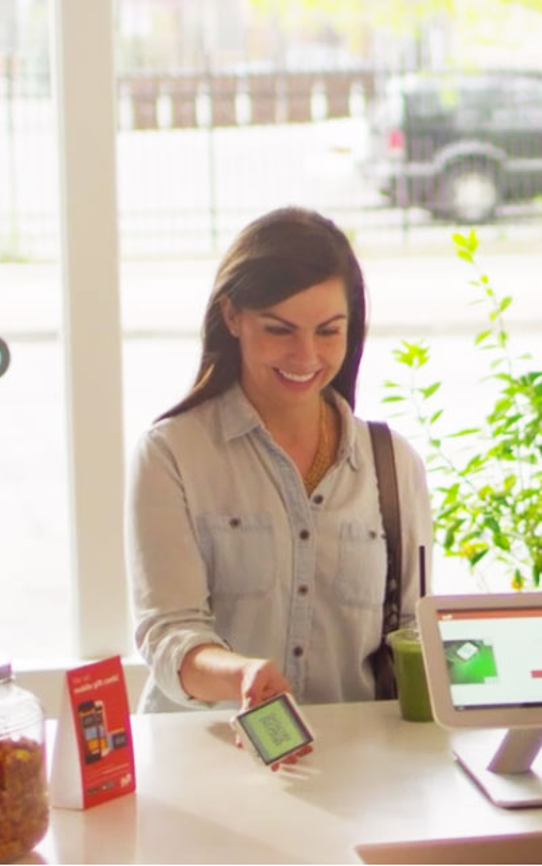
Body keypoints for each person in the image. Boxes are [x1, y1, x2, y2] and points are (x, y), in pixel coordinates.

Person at [125, 207, 433, 726]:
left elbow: (415, 630)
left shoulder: (394, 464)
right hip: (205, 759)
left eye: (329, 331)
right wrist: (238, 676)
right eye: (279, 329)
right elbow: (169, 631)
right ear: (232, 317)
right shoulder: (171, 454)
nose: (305, 355)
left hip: (354, 769)